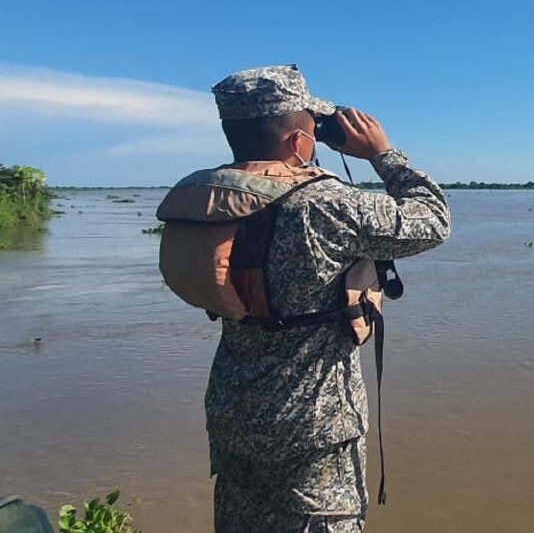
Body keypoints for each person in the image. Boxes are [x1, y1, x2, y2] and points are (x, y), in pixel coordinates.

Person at [155, 64, 451, 531]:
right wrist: (382, 154)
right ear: (298, 142)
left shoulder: (208, 197)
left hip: (235, 410)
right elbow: (433, 219)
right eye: (314, 127)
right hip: (315, 423)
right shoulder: (324, 203)